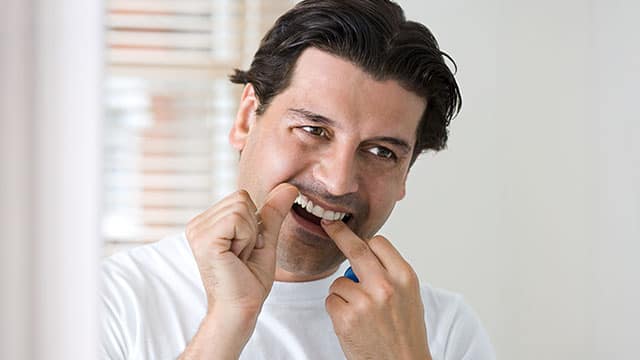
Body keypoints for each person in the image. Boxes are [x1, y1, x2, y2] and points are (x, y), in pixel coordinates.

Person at [100, 0, 496, 359]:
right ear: (245, 120)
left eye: (381, 152)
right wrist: (227, 324)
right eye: (313, 129)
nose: (339, 182)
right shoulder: (112, 302)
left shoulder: (442, 332)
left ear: (406, 173)